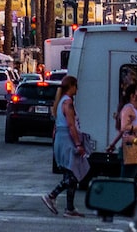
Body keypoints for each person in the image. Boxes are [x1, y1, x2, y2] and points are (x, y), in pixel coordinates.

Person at [43, 74, 90, 217]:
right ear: (71, 86)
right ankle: (51, 195)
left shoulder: (60, 101)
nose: (77, 89)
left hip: (60, 138)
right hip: (67, 139)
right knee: (73, 174)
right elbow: (71, 125)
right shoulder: (68, 103)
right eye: (76, 86)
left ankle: (70, 208)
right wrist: (78, 143)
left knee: (70, 173)